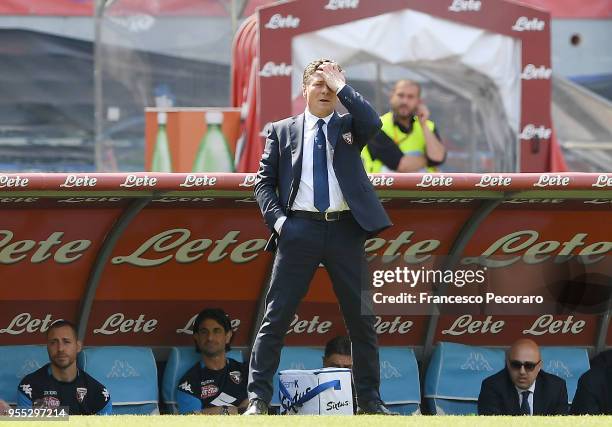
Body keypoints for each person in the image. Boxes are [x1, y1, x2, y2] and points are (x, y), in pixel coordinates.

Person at [246, 58, 395, 416]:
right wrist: (281, 224)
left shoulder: (348, 125)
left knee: (362, 319)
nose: (325, 91)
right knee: (276, 317)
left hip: (345, 229)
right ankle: (257, 399)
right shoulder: (282, 131)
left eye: (331, 85)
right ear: (304, 90)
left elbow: (374, 122)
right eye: (318, 84)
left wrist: (343, 86)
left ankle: (372, 402)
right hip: (299, 230)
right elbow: (263, 183)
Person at [17, 320, 112, 415]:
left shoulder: (98, 392)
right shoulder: (30, 387)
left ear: (78, 346)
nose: (60, 349)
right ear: (47, 348)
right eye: (53, 342)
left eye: (66, 342)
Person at [362, 79, 446, 173]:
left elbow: (438, 157)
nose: (404, 101)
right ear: (391, 97)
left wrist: (423, 125)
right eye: (400, 95)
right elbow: (402, 165)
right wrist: (430, 160)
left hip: (424, 187)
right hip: (384, 188)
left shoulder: (428, 126)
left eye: (410, 97)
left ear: (419, 102)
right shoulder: (377, 126)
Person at [176, 308, 248, 415]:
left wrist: (213, 412)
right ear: (196, 337)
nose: (210, 338)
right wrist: (226, 410)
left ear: (228, 336)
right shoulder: (189, 383)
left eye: (217, 331)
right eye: (204, 332)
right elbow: (190, 419)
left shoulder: (245, 371)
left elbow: (260, 405)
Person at [478, 338, 568, 415]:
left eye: (529, 366)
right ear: (508, 364)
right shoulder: (491, 387)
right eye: (516, 365)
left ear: (539, 366)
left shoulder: (556, 387)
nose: (522, 372)